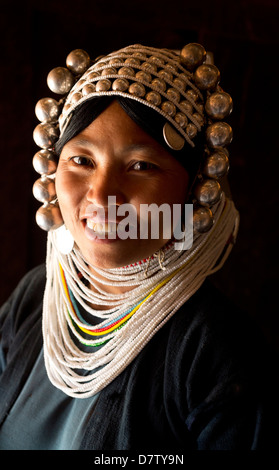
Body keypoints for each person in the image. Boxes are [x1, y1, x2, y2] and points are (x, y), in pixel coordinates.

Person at [0, 43, 276, 450]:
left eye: (141, 166)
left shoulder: (216, 352)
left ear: (195, 188)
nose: (103, 194)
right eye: (82, 160)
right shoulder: (35, 297)